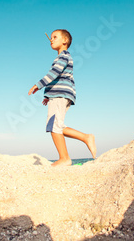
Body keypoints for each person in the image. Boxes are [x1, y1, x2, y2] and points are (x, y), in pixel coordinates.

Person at [28, 29, 96, 167]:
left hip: (61, 95)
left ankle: (64, 158)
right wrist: (47, 95)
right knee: (57, 126)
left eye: (55, 37)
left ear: (65, 40)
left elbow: (54, 73)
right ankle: (85, 137)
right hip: (59, 95)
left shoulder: (63, 56)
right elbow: (56, 79)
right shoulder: (62, 57)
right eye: (51, 37)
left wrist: (38, 85)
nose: (51, 39)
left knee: (54, 126)